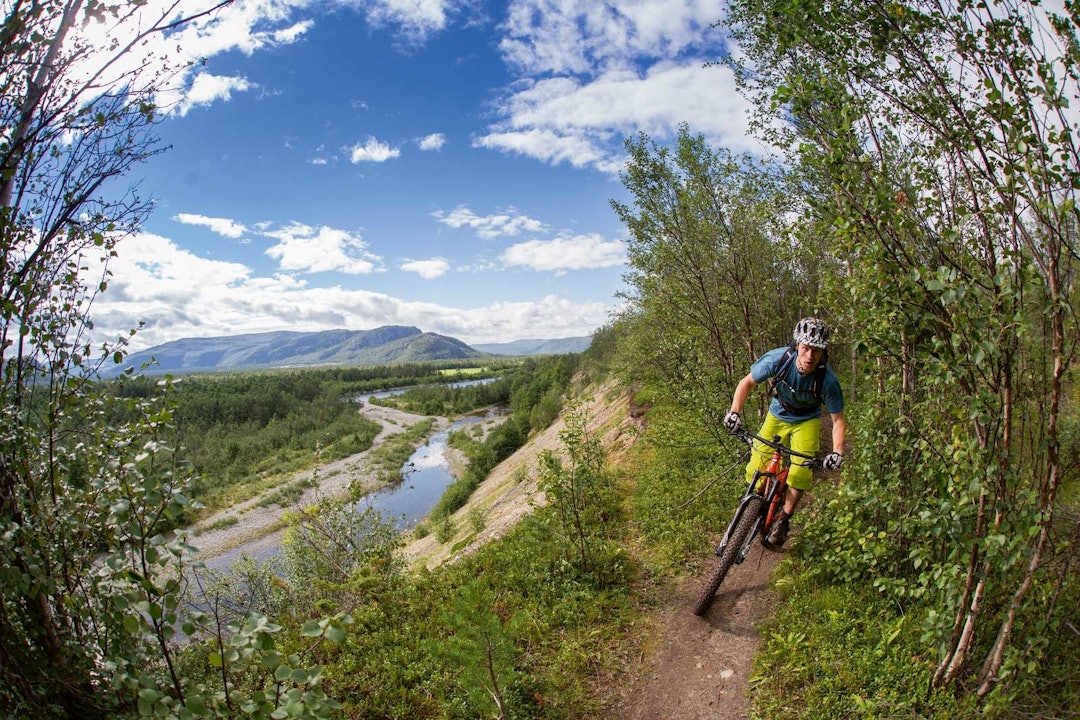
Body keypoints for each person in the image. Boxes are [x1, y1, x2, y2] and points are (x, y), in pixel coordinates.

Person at [723, 317, 846, 549]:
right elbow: (746, 383)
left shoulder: (828, 380)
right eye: (806, 348)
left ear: (823, 353)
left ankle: (784, 521)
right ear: (797, 344)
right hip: (777, 413)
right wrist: (734, 413)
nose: (810, 356)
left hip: (807, 420)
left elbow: (837, 420)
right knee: (755, 466)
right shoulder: (778, 359)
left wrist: (837, 452)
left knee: (800, 473)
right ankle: (756, 505)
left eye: (817, 351)